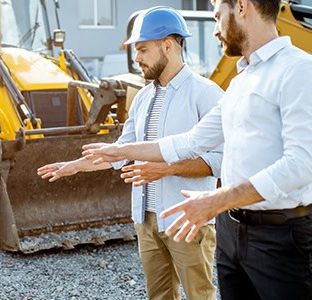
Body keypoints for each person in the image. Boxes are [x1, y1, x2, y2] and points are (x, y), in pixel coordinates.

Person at [81, 0, 312, 299]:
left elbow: (302, 163)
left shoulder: (298, 70)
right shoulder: (241, 82)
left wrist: (217, 199)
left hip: (281, 235)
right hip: (232, 231)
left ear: (241, 7)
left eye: (217, 17)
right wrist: (118, 152)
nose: (215, 31)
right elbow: (190, 141)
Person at [38, 7, 224, 300]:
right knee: (158, 296)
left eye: (142, 50)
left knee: (200, 295)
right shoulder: (143, 98)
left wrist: (167, 169)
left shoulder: (206, 94)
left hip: (187, 220)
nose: (136, 58)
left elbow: (219, 162)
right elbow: (121, 152)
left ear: (168, 45)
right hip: (146, 220)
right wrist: (74, 166)